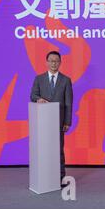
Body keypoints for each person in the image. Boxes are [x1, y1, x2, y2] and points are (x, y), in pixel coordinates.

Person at [30, 51, 73, 185]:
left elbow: (68, 103)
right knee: (43, 148)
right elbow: (33, 95)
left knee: (58, 149)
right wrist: (39, 99)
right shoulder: (39, 78)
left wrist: (67, 121)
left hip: (59, 121)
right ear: (46, 62)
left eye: (56, 61)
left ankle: (60, 177)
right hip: (42, 121)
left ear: (60, 62)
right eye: (51, 60)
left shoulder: (66, 80)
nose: (54, 63)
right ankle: (45, 175)